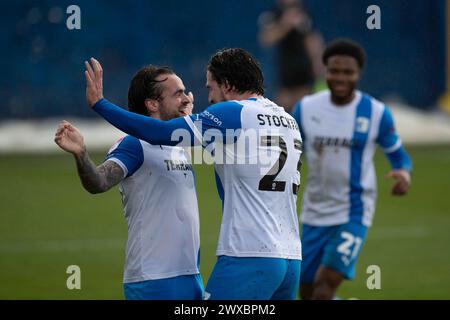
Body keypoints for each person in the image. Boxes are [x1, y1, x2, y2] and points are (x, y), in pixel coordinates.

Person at [84, 48, 303, 300]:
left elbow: (160, 133)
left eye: (210, 87)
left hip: (250, 254)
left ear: (227, 85)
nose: (208, 98)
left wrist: (101, 105)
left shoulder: (234, 112)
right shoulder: (288, 120)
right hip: (290, 258)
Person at [55, 65, 204, 300]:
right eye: (178, 94)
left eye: (185, 92)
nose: (186, 99)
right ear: (152, 104)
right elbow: (99, 182)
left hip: (191, 277)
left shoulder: (178, 147)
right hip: (152, 279)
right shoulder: (134, 145)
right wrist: (81, 154)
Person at [292, 39, 412, 300]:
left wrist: (403, 173)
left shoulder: (376, 112)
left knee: (324, 287)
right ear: (325, 71)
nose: (340, 77)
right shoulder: (306, 108)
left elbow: (399, 156)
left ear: (358, 74)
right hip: (314, 211)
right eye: (335, 71)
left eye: (348, 72)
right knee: (307, 291)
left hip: (354, 210)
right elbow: (290, 152)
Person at [258, 0, 325, 112]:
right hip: (284, 75)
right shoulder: (273, 13)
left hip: (305, 74)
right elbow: (266, 39)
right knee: (281, 112)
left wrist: (318, 60)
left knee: (305, 110)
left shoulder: (305, 12)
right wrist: (286, 24)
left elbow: (312, 39)